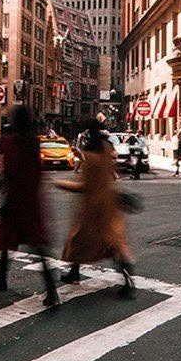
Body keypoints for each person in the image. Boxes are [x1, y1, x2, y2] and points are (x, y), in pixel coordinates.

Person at [0, 105, 58, 308]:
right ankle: (51, 289)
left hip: (15, 202)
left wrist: (2, 193)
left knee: (5, 243)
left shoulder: (10, 143)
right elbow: (36, 171)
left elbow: (8, 173)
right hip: (31, 201)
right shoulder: (34, 142)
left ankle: (1, 280)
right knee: (38, 246)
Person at [56, 117, 135, 297]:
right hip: (109, 205)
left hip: (93, 208)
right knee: (113, 243)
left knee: (80, 240)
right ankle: (127, 282)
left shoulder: (90, 155)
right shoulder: (108, 148)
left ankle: (76, 273)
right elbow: (113, 173)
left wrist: (62, 184)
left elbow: (85, 186)